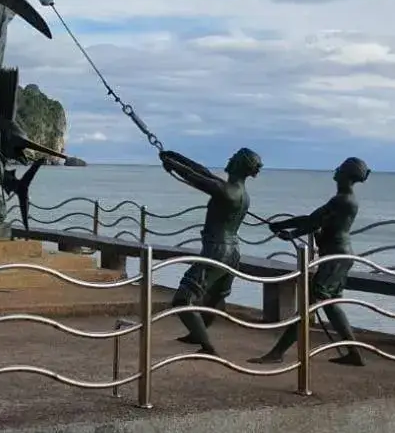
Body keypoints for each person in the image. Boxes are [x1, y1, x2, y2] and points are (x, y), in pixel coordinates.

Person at [250, 156, 371, 367]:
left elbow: (312, 222)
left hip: (335, 257)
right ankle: (353, 353)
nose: (336, 170)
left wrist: (290, 232)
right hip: (338, 256)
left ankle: (277, 353)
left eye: (340, 168)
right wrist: (282, 226)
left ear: (346, 174)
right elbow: (312, 219)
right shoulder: (343, 199)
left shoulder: (342, 200)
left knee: (311, 305)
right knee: (329, 305)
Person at [159, 146, 263, 355]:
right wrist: (176, 156)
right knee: (215, 297)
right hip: (233, 251)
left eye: (233, 157)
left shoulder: (226, 191)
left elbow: (195, 178)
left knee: (182, 298)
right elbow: (203, 172)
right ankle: (197, 334)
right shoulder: (239, 192)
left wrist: (173, 165)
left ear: (238, 164)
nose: (229, 158)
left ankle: (207, 346)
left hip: (217, 250)